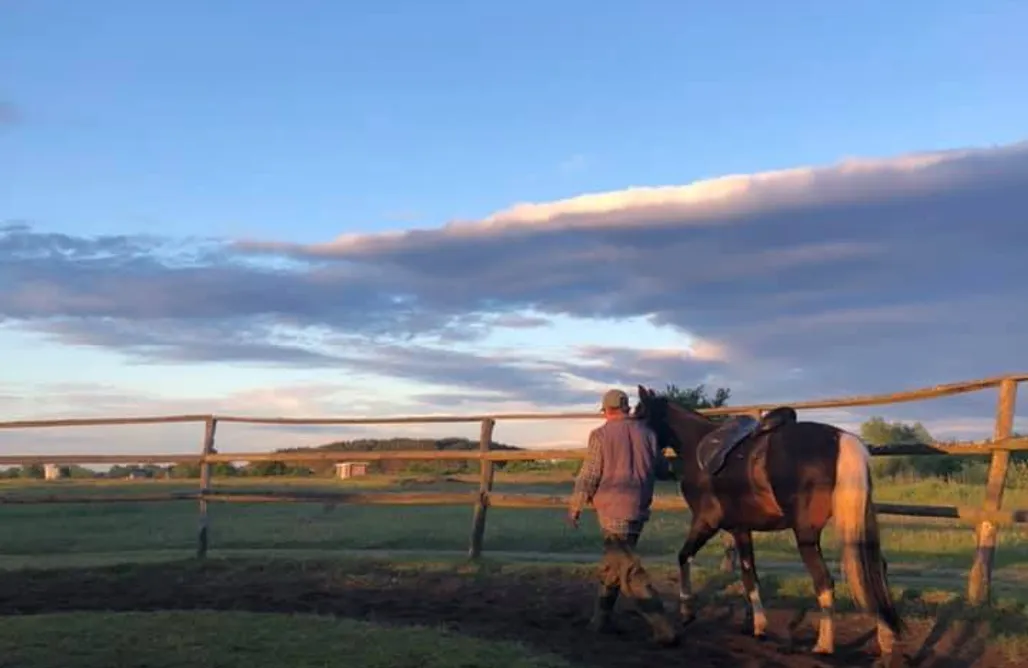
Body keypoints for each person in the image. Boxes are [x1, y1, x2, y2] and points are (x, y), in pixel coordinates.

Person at [567, 388, 679, 647]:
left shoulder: (600, 435)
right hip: (638, 509)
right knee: (614, 565)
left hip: (612, 510)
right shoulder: (648, 434)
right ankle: (600, 620)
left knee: (628, 570)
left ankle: (662, 627)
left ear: (606, 410)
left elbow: (590, 473)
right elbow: (662, 469)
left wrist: (576, 504)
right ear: (626, 408)